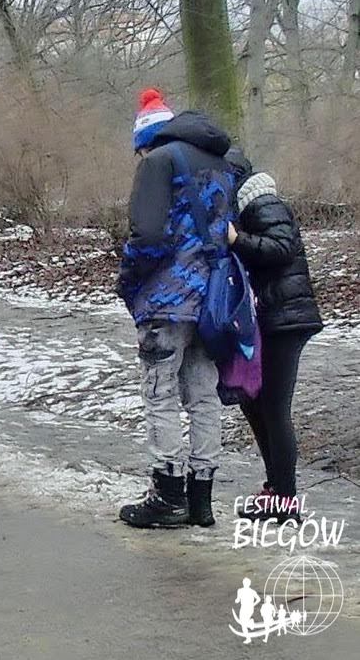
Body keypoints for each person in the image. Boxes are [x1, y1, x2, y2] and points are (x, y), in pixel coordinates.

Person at [116, 88, 235, 529]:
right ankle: (201, 500)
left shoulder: (158, 162)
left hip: (166, 301)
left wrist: (128, 280)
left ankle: (167, 496)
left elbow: (147, 236)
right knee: (203, 396)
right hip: (212, 301)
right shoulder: (222, 163)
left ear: (146, 140)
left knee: (160, 393)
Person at [226, 165, 323, 522]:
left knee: (274, 407)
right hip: (274, 317)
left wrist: (236, 240)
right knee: (253, 402)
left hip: (287, 319)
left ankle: (285, 500)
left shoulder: (264, 202)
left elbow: (281, 248)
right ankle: (276, 490)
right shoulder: (250, 207)